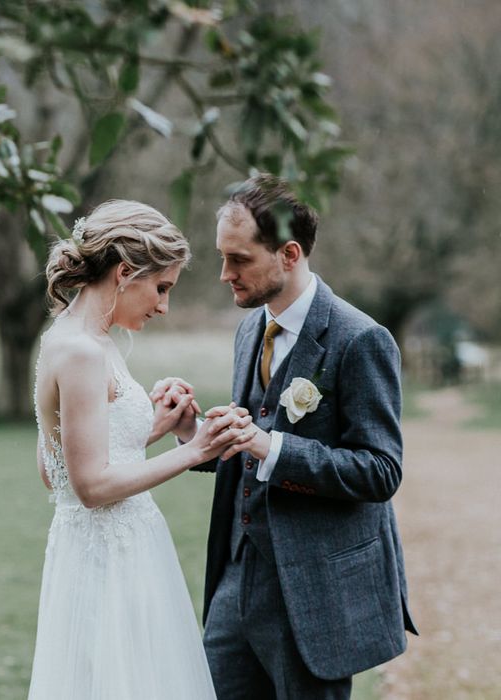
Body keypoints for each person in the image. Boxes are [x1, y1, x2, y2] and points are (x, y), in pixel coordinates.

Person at [152, 174, 417, 700]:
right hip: (236, 577)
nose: (225, 274)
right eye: (221, 257)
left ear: (289, 253)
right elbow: (245, 445)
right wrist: (193, 434)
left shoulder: (360, 339)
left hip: (315, 593)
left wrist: (271, 446)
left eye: (240, 259)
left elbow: (380, 471)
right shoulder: (251, 327)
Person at [28, 199, 248, 700]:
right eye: (161, 287)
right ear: (126, 272)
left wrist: (153, 427)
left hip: (110, 552)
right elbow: (89, 487)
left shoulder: (78, 338)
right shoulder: (83, 351)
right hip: (107, 559)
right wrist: (197, 450)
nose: (164, 306)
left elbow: (52, 468)